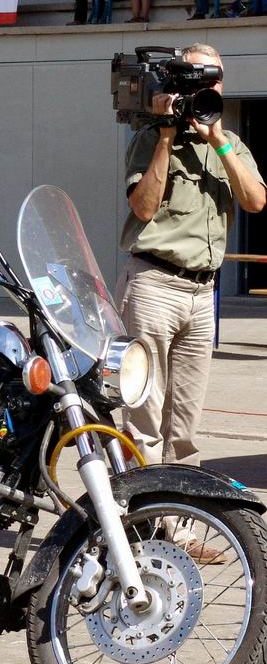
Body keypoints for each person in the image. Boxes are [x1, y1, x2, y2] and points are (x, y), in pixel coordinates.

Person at [116, 42, 266, 472]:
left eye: (214, 79)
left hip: (202, 292)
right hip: (154, 285)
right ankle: (139, 502)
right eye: (197, 78)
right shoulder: (149, 137)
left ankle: (178, 501)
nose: (208, 87)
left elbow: (256, 201)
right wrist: (166, 134)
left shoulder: (230, 143)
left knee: (184, 417)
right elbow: (143, 207)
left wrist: (217, 141)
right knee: (144, 409)